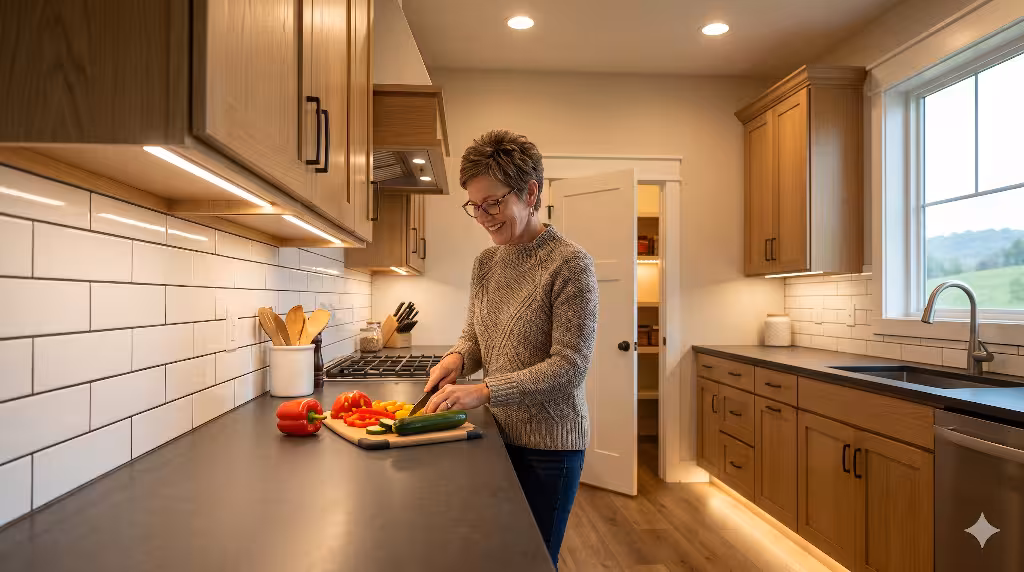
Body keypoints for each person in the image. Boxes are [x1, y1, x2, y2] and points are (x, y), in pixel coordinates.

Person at [423, 129, 599, 568]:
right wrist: (456, 358)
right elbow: (475, 337)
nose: (483, 216)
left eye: (493, 203)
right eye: (475, 206)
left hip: (550, 448)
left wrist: (484, 391)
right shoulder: (486, 262)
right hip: (497, 436)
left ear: (531, 191)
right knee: (497, 556)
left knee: (532, 561)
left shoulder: (571, 264)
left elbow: (569, 367)